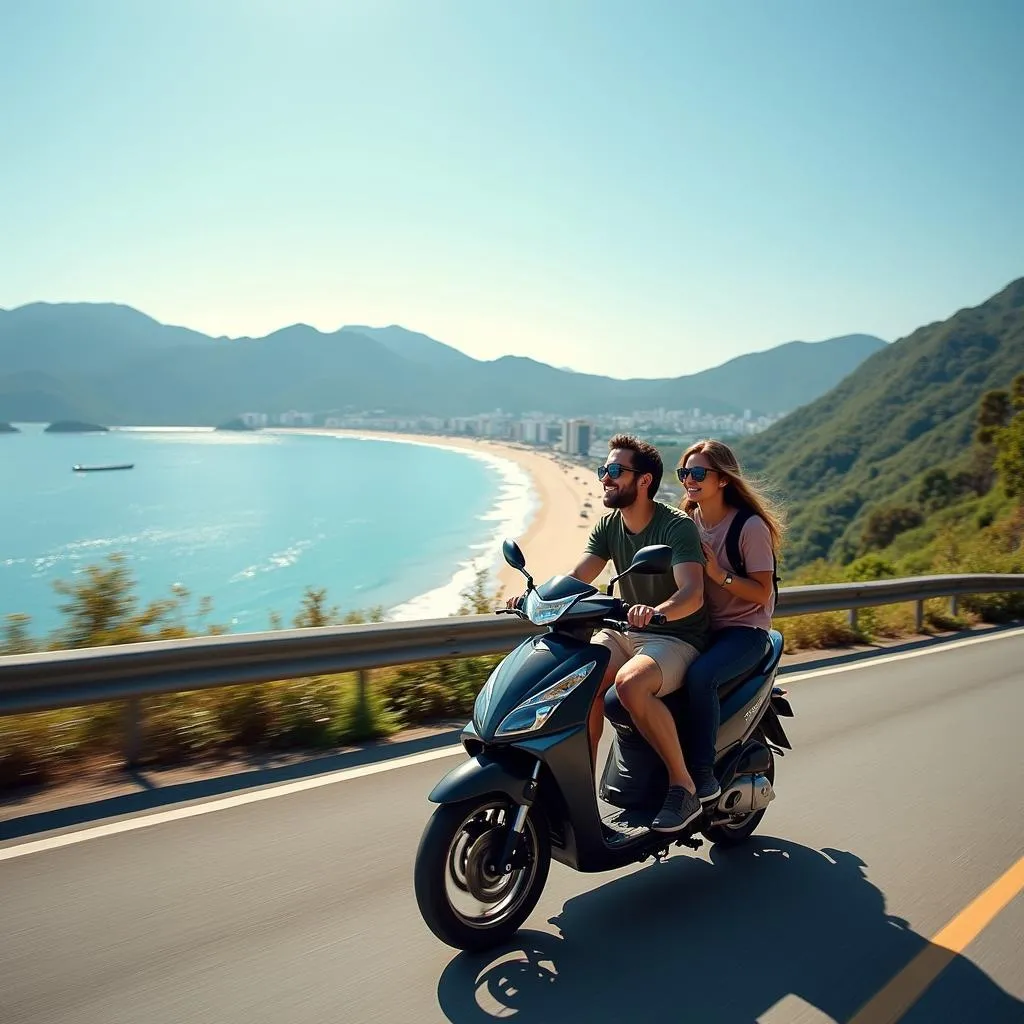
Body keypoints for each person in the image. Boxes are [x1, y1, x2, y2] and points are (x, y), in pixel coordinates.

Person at [566, 434, 711, 832]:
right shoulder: (609, 524)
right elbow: (579, 576)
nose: (605, 478)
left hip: (675, 636)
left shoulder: (676, 527)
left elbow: (692, 593)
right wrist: (533, 595)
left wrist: (658, 612)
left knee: (628, 686)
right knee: (579, 678)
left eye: (615, 471)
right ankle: (581, 792)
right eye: (604, 470)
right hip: (624, 631)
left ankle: (684, 787)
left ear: (644, 481)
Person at [675, 438, 784, 805]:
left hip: (744, 630)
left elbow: (761, 592)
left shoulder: (748, 527)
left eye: (699, 472)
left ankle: (702, 777)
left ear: (722, 479)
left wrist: (717, 573)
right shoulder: (686, 521)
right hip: (701, 627)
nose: (690, 479)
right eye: (684, 473)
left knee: (700, 677)